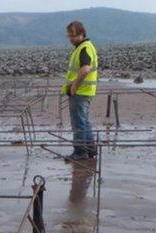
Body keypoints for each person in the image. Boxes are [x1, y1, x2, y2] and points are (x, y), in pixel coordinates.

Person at [61, 21, 99, 161]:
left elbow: (85, 69)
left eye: (73, 36)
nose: (71, 39)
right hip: (85, 91)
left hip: (81, 92)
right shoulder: (82, 47)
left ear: (82, 34)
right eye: (69, 36)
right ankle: (90, 149)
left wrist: (74, 87)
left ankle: (80, 152)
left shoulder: (84, 48)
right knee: (84, 121)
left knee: (78, 122)